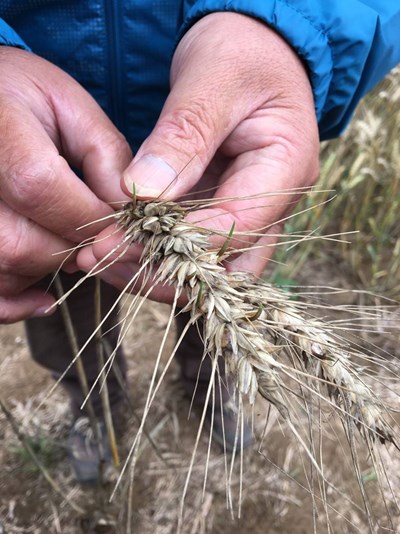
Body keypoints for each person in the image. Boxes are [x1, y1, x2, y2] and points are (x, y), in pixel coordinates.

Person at [0, 2, 399, 483]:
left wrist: (282, 25)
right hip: (34, 152)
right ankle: (96, 406)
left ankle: (209, 385)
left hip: (217, 148)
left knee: (218, 294)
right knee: (66, 314)